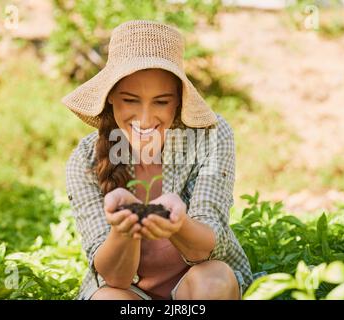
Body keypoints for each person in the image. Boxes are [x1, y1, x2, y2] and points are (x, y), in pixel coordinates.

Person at [63, 20, 252, 300]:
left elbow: (207, 247)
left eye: (161, 102)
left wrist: (179, 225)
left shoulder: (209, 136)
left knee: (213, 281)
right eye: (130, 100)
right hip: (131, 294)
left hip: (194, 288)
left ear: (178, 101)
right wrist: (123, 229)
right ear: (111, 96)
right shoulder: (85, 160)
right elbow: (115, 277)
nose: (145, 118)